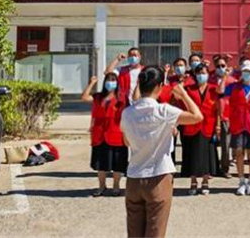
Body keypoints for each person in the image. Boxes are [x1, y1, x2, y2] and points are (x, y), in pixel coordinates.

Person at [121, 66, 203, 238]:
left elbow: (126, 141)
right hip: (158, 175)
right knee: (155, 232)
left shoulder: (127, 113)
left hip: (134, 176)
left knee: (134, 232)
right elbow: (197, 117)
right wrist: (183, 94)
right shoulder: (164, 111)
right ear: (159, 86)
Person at [219, 60, 250, 196]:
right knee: (239, 152)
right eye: (245, 71)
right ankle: (241, 182)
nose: (246, 73)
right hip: (237, 124)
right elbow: (220, 91)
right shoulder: (234, 86)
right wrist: (225, 76)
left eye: (249, 71)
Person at [82, 73, 129, 197]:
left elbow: (128, 115)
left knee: (118, 164)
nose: (110, 82)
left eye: (113, 80)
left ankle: (116, 186)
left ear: (117, 82)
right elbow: (85, 97)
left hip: (117, 134)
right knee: (100, 164)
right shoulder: (98, 97)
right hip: (100, 135)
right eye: (108, 80)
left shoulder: (122, 97)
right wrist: (92, 83)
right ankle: (102, 186)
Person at [179, 64, 221, 195]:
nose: (201, 75)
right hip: (192, 124)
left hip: (209, 125)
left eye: (204, 73)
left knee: (207, 154)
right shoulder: (189, 89)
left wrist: (218, 125)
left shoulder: (214, 89)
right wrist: (182, 82)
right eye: (199, 73)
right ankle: (193, 181)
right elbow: (180, 101)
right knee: (192, 153)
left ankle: (205, 181)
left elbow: (217, 109)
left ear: (208, 74)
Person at [210, 55, 234, 178]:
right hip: (211, 113)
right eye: (218, 66)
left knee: (226, 144)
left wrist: (225, 77)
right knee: (210, 143)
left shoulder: (232, 81)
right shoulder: (210, 80)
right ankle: (212, 167)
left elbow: (222, 91)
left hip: (226, 114)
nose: (220, 68)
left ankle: (225, 168)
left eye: (223, 65)